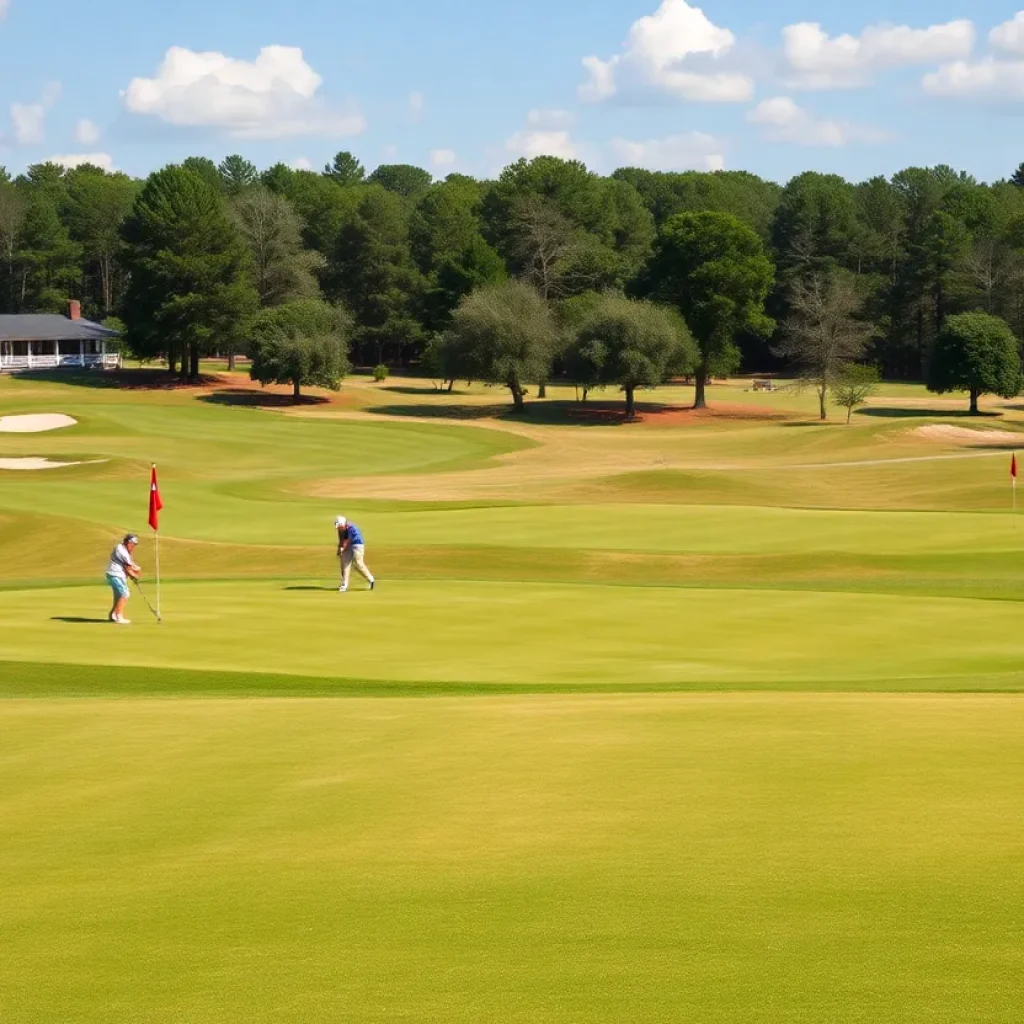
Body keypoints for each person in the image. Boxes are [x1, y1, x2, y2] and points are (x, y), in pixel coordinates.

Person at [106, 534, 141, 624]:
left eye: (134, 545)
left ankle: (113, 615)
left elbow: (130, 566)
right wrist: (135, 577)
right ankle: (119, 617)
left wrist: (136, 570)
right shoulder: (122, 551)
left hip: (115, 574)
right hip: (115, 574)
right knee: (125, 594)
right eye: (132, 544)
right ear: (127, 542)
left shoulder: (124, 549)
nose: (133, 546)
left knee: (119, 596)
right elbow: (128, 569)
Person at [335, 516, 375, 593]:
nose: (338, 529)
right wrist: (339, 548)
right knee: (345, 563)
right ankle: (344, 585)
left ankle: (370, 579)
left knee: (358, 563)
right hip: (348, 545)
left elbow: (348, 540)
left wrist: (343, 548)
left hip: (357, 545)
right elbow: (341, 539)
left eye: (339, 527)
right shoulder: (340, 530)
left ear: (343, 525)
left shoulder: (352, 529)